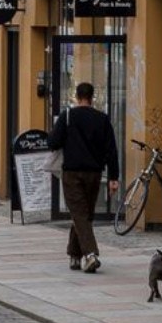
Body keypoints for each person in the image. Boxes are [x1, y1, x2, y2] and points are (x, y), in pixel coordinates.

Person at [47, 82, 119, 273]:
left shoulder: (68, 116)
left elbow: (53, 142)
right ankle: (74, 255)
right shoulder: (102, 119)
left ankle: (90, 255)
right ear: (92, 97)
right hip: (94, 174)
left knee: (80, 214)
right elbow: (111, 150)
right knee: (84, 214)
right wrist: (113, 177)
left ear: (77, 96)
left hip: (72, 173)